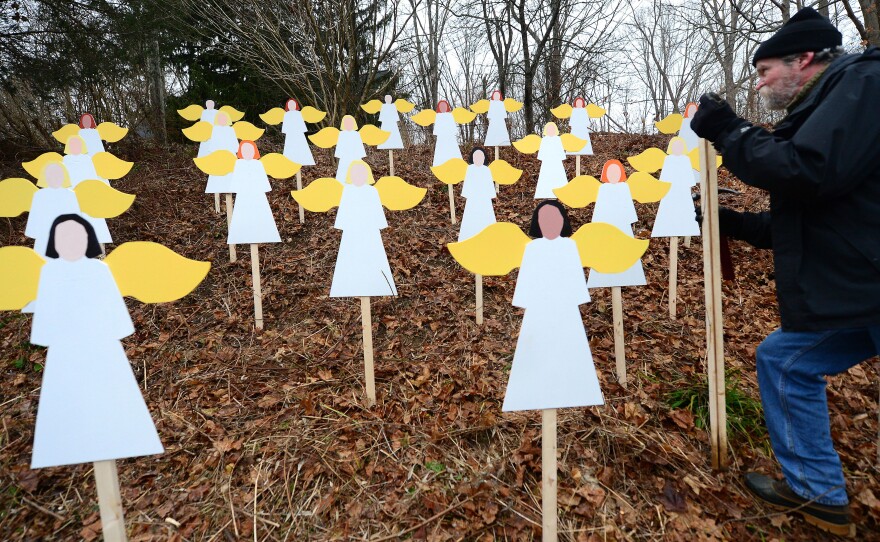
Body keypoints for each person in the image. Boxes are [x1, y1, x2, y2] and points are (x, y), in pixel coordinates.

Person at [690, 7, 880, 536]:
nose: (759, 82)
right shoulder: (823, 107)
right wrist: (728, 222)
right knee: (785, 360)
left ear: (803, 59)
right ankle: (817, 492)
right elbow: (802, 218)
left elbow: (804, 172)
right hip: (863, 287)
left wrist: (728, 130)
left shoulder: (865, 83)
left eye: (764, 70)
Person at [30, 214, 163, 468]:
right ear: (54, 242)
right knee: (72, 398)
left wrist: (116, 330)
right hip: (66, 350)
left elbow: (113, 308)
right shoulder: (49, 273)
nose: (71, 242)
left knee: (109, 393)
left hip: (102, 347)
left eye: (77, 236)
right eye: (64, 237)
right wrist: (50, 336)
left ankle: (114, 432)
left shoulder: (99, 270)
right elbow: (46, 313)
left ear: (88, 239)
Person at [502, 200, 604, 412]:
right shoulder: (532, 248)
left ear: (563, 221)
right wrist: (524, 300)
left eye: (554, 218)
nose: (550, 223)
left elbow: (575, 276)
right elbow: (527, 278)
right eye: (544, 219)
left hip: (565, 308)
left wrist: (576, 297)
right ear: (537, 223)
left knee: (567, 346)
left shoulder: (569, 246)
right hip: (538, 309)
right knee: (539, 348)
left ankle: (570, 383)